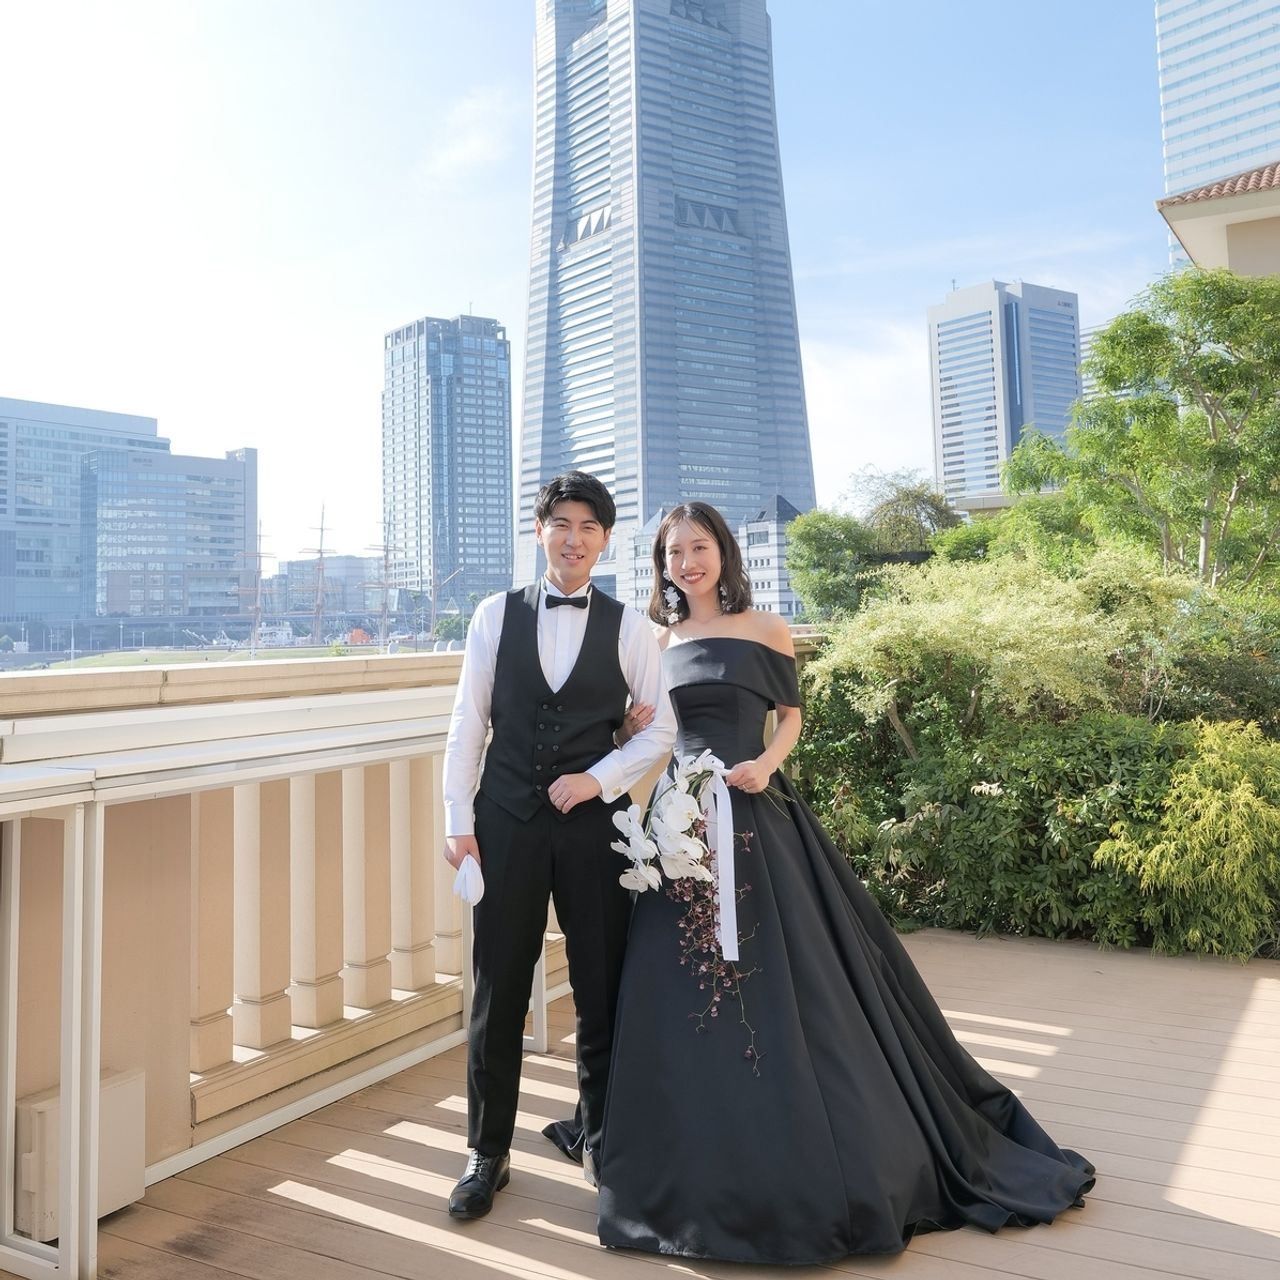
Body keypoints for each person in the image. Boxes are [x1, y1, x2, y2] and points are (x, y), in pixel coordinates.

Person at [594, 501, 1094, 1263]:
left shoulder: (766, 628)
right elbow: (648, 730)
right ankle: (682, 1136)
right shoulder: (656, 641)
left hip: (756, 810)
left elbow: (790, 716)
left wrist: (767, 763)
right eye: (673, 553)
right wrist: (631, 730)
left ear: (723, 553)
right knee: (677, 972)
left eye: (698, 547)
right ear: (661, 565)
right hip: (680, 823)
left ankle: (797, 1130)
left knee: (791, 974)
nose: (686, 563)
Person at [441, 471, 676, 1219]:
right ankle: (487, 1153)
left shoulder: (630, 627)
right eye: (562, 524)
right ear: (540, 530)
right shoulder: (492, 615)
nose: (574, 539)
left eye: (589, 528)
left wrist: (598, 778)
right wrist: (457, 818)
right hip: (504, 823)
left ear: (605, 540)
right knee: (499, 991)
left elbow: (661, 728)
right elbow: (469, 722)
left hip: (594, 829)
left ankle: (602, 1142)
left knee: (599, 986)